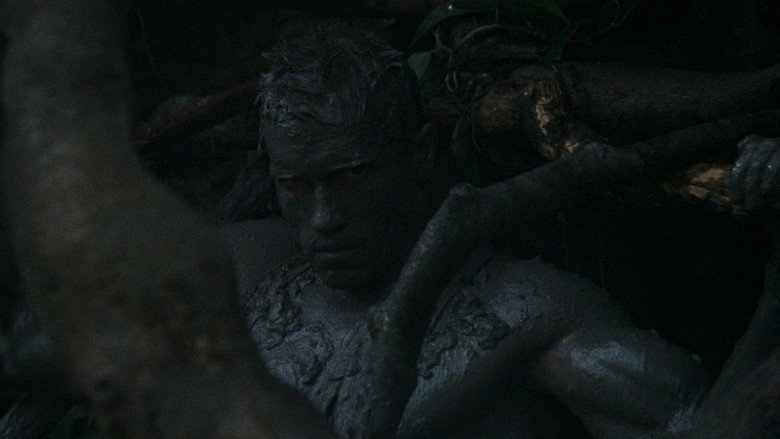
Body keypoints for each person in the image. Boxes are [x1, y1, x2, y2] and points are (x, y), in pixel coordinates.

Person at [218, 24, 753, 438]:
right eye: (295, 184)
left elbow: (707, 422)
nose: (323, 218)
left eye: (353, 176)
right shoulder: (240, 269)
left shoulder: (525, 315)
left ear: (420, 155)